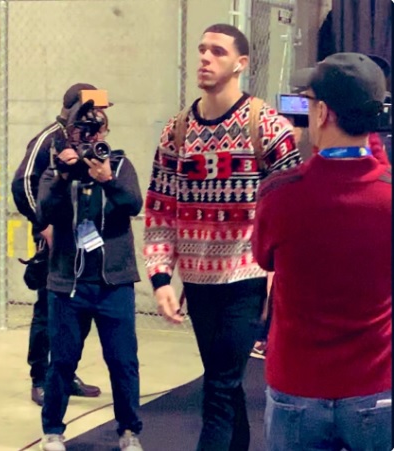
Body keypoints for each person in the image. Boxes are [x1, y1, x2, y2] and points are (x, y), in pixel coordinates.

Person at [143, 23, 302, 451]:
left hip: (247, 277)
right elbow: (160, 208)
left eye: (217, 51)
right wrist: (161, 278)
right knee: (225, 386)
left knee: (217, 387)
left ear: (241, 64)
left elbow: (291, 209)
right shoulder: (177, 131)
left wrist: (278, 273)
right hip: (198, 279)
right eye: (201, 50)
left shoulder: (267, 126)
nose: (205, 59)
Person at [252, 52, 392, 451]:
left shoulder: (280, 194)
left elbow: (264, 259)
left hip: (297, 388)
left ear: (322, 113)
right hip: (374, 387)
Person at [36, 97, 143, 451]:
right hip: (68, 283)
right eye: (81, 131)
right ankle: (52, 431)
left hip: (114, 282)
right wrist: (64, 176)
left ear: (105, 132)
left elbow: (132, 204)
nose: (88, 138)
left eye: (95, 130)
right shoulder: (57, 171)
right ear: (69, 134)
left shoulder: (119, 164)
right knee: (62, 361)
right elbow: (44, 213)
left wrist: (107, 179)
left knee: (123, 361)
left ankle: (129, 432)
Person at [11, 83, 103, 406]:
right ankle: (40, 377)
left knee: (82, 308)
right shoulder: (50, 138)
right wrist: (43, 223)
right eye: (90, 108)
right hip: (55, 236)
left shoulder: (91, 138)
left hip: (85, 237)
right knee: (49, 307)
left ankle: (64, 372)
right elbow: (22, 182)